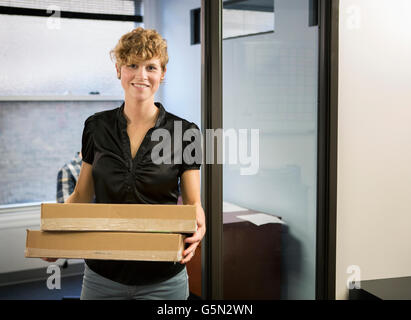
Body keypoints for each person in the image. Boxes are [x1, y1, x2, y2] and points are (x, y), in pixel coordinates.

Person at [42, 27, 206, 300]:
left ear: (162, 74)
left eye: (151, 67)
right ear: (119, 69)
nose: (141, 75)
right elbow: (81, 195)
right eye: (132, 65)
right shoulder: (96, 127)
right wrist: (52, 236)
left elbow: (192, 203)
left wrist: (199, 225)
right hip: (103, 276)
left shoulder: (186, 132)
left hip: (164, 276)